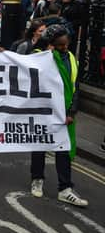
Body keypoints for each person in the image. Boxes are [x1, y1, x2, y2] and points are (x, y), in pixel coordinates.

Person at [30, 25, 88, 207]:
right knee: (39, 144)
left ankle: (65, 189)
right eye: (60, 45)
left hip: (65, 112)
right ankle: (37, 179)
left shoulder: (71, 57)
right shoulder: (41, 56)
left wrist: (72, 111)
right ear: (51, 44)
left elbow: (75, 87)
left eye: (66, 44)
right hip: (45, 109)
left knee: (63, 150)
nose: (65, 48)